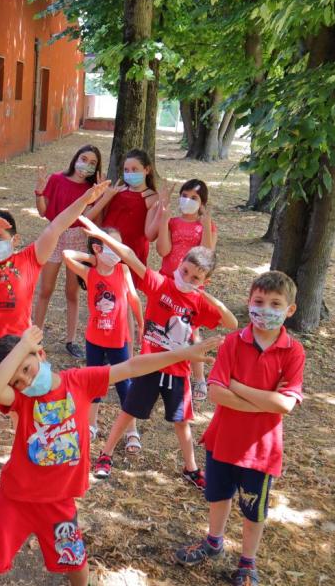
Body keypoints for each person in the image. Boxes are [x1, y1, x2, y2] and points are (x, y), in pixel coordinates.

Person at [0, 326, 222, 585]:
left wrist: (184, 353)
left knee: (76, 564)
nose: (26, 381)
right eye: (17, 380)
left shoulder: (79, 381)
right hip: (16, 498)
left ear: (40, 354)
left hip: (59, 502)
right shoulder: (19, 397)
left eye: (26, 369)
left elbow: (132, 367)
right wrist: (22, 347)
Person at [0, 181, 110, 456]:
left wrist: (84, 200)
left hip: (18, 350)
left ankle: (21, 445)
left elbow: (56, 226)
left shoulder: (30, 258)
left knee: (22, 403)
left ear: (14, 240)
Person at [83, 217, 237, 488]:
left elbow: (231, 323)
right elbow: (131, 257)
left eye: (196, 277)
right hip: (148, 366)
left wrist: (205, 296)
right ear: (179, 265)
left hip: (178, 371)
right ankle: (105, 455)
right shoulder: (160, 285)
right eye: (185, 271)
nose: (187, 278)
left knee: (182, 422)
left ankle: (191, 469)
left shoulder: (199, 301)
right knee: (128, 411)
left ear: (205, 281)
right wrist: (101, 235)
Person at [174, 271, 305, 586]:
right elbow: (217, 394)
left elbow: (285, 405)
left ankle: (248, 562)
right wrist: (266, 399)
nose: (265, 309)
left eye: (275, 303)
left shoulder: (293, 351)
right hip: (223, 440)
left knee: (252, 510)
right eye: (259, 301)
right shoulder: (233, 341)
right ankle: (214, 541)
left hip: (261, 449)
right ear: (249, 302)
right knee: (218, 496)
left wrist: (237, 387)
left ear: (290, 310)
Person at [62, 227, 144, 442]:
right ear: (99, 249)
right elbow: (66, 255)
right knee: (94, 382)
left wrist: (140, 323)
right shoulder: (89, 273)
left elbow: (134, 299)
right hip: (95, 340)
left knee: (124, 385)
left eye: (119, 245)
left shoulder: (123, 271)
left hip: (118, 340)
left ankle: (131, 430)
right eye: (111, 246)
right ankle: (91, 424)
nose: (118, 251)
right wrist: (93, 257)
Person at [33, 144, 102, 359]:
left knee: (72, 292)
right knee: (45, 289)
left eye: (93, 163)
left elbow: (90, 220)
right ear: (75, 158)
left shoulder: (91, 190)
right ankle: (35, 335)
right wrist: (39, 191)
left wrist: (99, 196)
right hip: (54, 234)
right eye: (84, 159)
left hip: (77, 238)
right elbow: (44, 212)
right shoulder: (56, 179)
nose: (87, 165)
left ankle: (71, 340)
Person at [155, 178, 219, 401]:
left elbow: (208, 256)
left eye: (194, 198)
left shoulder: (206, 226)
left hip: (192, 286)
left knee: (191, 330)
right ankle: (160, 372)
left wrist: (208, 221)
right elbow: (162, 250)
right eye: (185, 195)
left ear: (202, 203)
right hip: (169, 281)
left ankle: (199, 377)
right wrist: (164, 218)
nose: (188, 201)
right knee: (162, 327)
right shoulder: (172, 222)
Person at [84, 149, 163, 266]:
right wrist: (101, 197)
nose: (130, 173)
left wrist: (162, 209)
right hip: (106, 251)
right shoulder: (117, 191)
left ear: (147, 170)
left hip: (131, 255)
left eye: (135, 169)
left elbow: (150, 236)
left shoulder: (152, 198)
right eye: (126, 170)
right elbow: (100, 222)